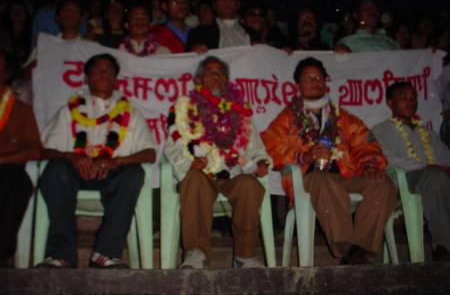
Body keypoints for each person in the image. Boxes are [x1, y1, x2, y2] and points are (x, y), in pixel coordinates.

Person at [262, 57, 397, 265]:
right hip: (308, 180)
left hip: (345, 177)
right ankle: (346, 248)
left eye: (318, 77)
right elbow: (270, 146)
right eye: (308, 78)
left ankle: (361, 252)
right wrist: (303, 156)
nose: (314, 81)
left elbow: (365, 144)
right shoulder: (287, 118)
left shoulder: (343, 117)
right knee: (322, 180)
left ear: (326, 81)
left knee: (382, 183)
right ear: (299, 85)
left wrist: (370, 165)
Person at [37, 54, 157, 268]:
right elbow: (44, 151)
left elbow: (149, 154)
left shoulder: (131, 113)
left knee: (134, 173)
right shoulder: (68, 111)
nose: (103, 74)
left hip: (112, 173)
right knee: (55, 170)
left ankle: (105, 254)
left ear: (115, 78)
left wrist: (116, 161)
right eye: (97, 70)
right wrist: (72, 156)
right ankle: (62, 254)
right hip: (74, 171)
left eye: (109, 70)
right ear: (87, 78)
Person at [163, 56, 272, 269]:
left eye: (220, 72)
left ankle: (245, 255)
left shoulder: (240, 111)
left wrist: (261, 162)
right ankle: (196, 253)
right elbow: (172, 146)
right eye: (210, 71)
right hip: (200, 172)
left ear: (227, 80)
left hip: (232, 173)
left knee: (250, 185)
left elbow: (256, 147)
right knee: (192, 178)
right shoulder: (185, 108)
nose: (215, 75)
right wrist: (188, 162)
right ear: (199, 80)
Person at [372, 81, 450, 261]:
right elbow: (390, 160)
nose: (410, 102)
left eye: (413, 98)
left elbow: (445, 156)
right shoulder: (380, 130)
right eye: (403, 98)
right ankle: (444, 247)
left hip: (434, 177)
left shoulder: (427, 132)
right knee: (435, 178)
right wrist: (426, 167)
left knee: (437, 178)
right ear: (390, 103)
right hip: (403, 181)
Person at [0, 49, 42, 268]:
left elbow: (35, 150)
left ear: (6, 73)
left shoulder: (21, 110)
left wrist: (4, 160)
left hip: (5, 169)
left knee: (17, 181)